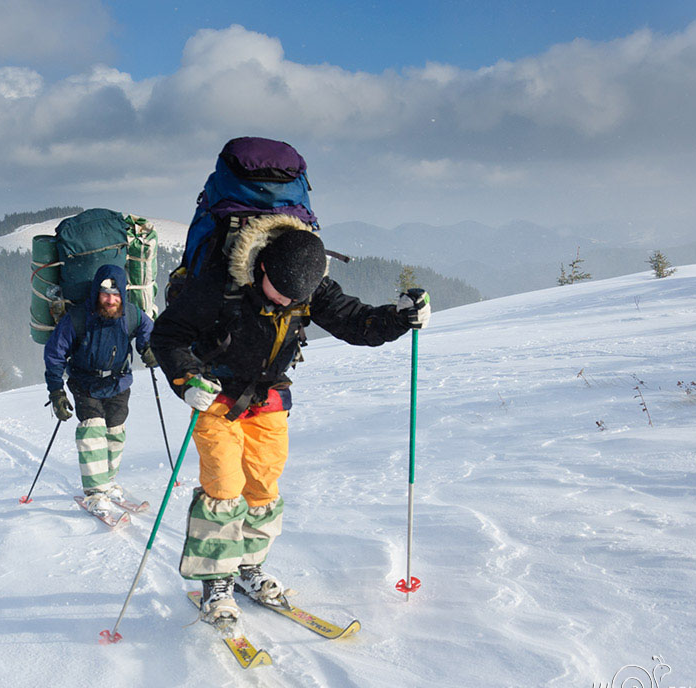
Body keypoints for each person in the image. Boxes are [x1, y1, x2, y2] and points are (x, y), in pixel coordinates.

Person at [149, 215, 430, 623]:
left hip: (268, 396)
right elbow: (167, 335)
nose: (286, 302)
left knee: (263, 486)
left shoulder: (307, 286)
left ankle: (247, 567)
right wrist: (185, 378)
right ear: (261, 265)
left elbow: (356, 322)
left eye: (294, 299)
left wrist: (401, 318)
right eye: (279, 294)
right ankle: (216, 583)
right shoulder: (218, 285)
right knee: (224, 487)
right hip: (217, 397)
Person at [43, 263, 156, 517]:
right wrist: (56, 392)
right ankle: (96, 493)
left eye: (116, 295)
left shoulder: (131, 315)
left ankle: (108, 481)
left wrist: (148, 347)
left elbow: (148, 329)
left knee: (115, 432)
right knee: (92, 431)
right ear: (96, 293)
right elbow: (54, 355)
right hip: (85, 383)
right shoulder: (78, 318)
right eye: (106, 294)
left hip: (118, 382)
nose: (111, 300)